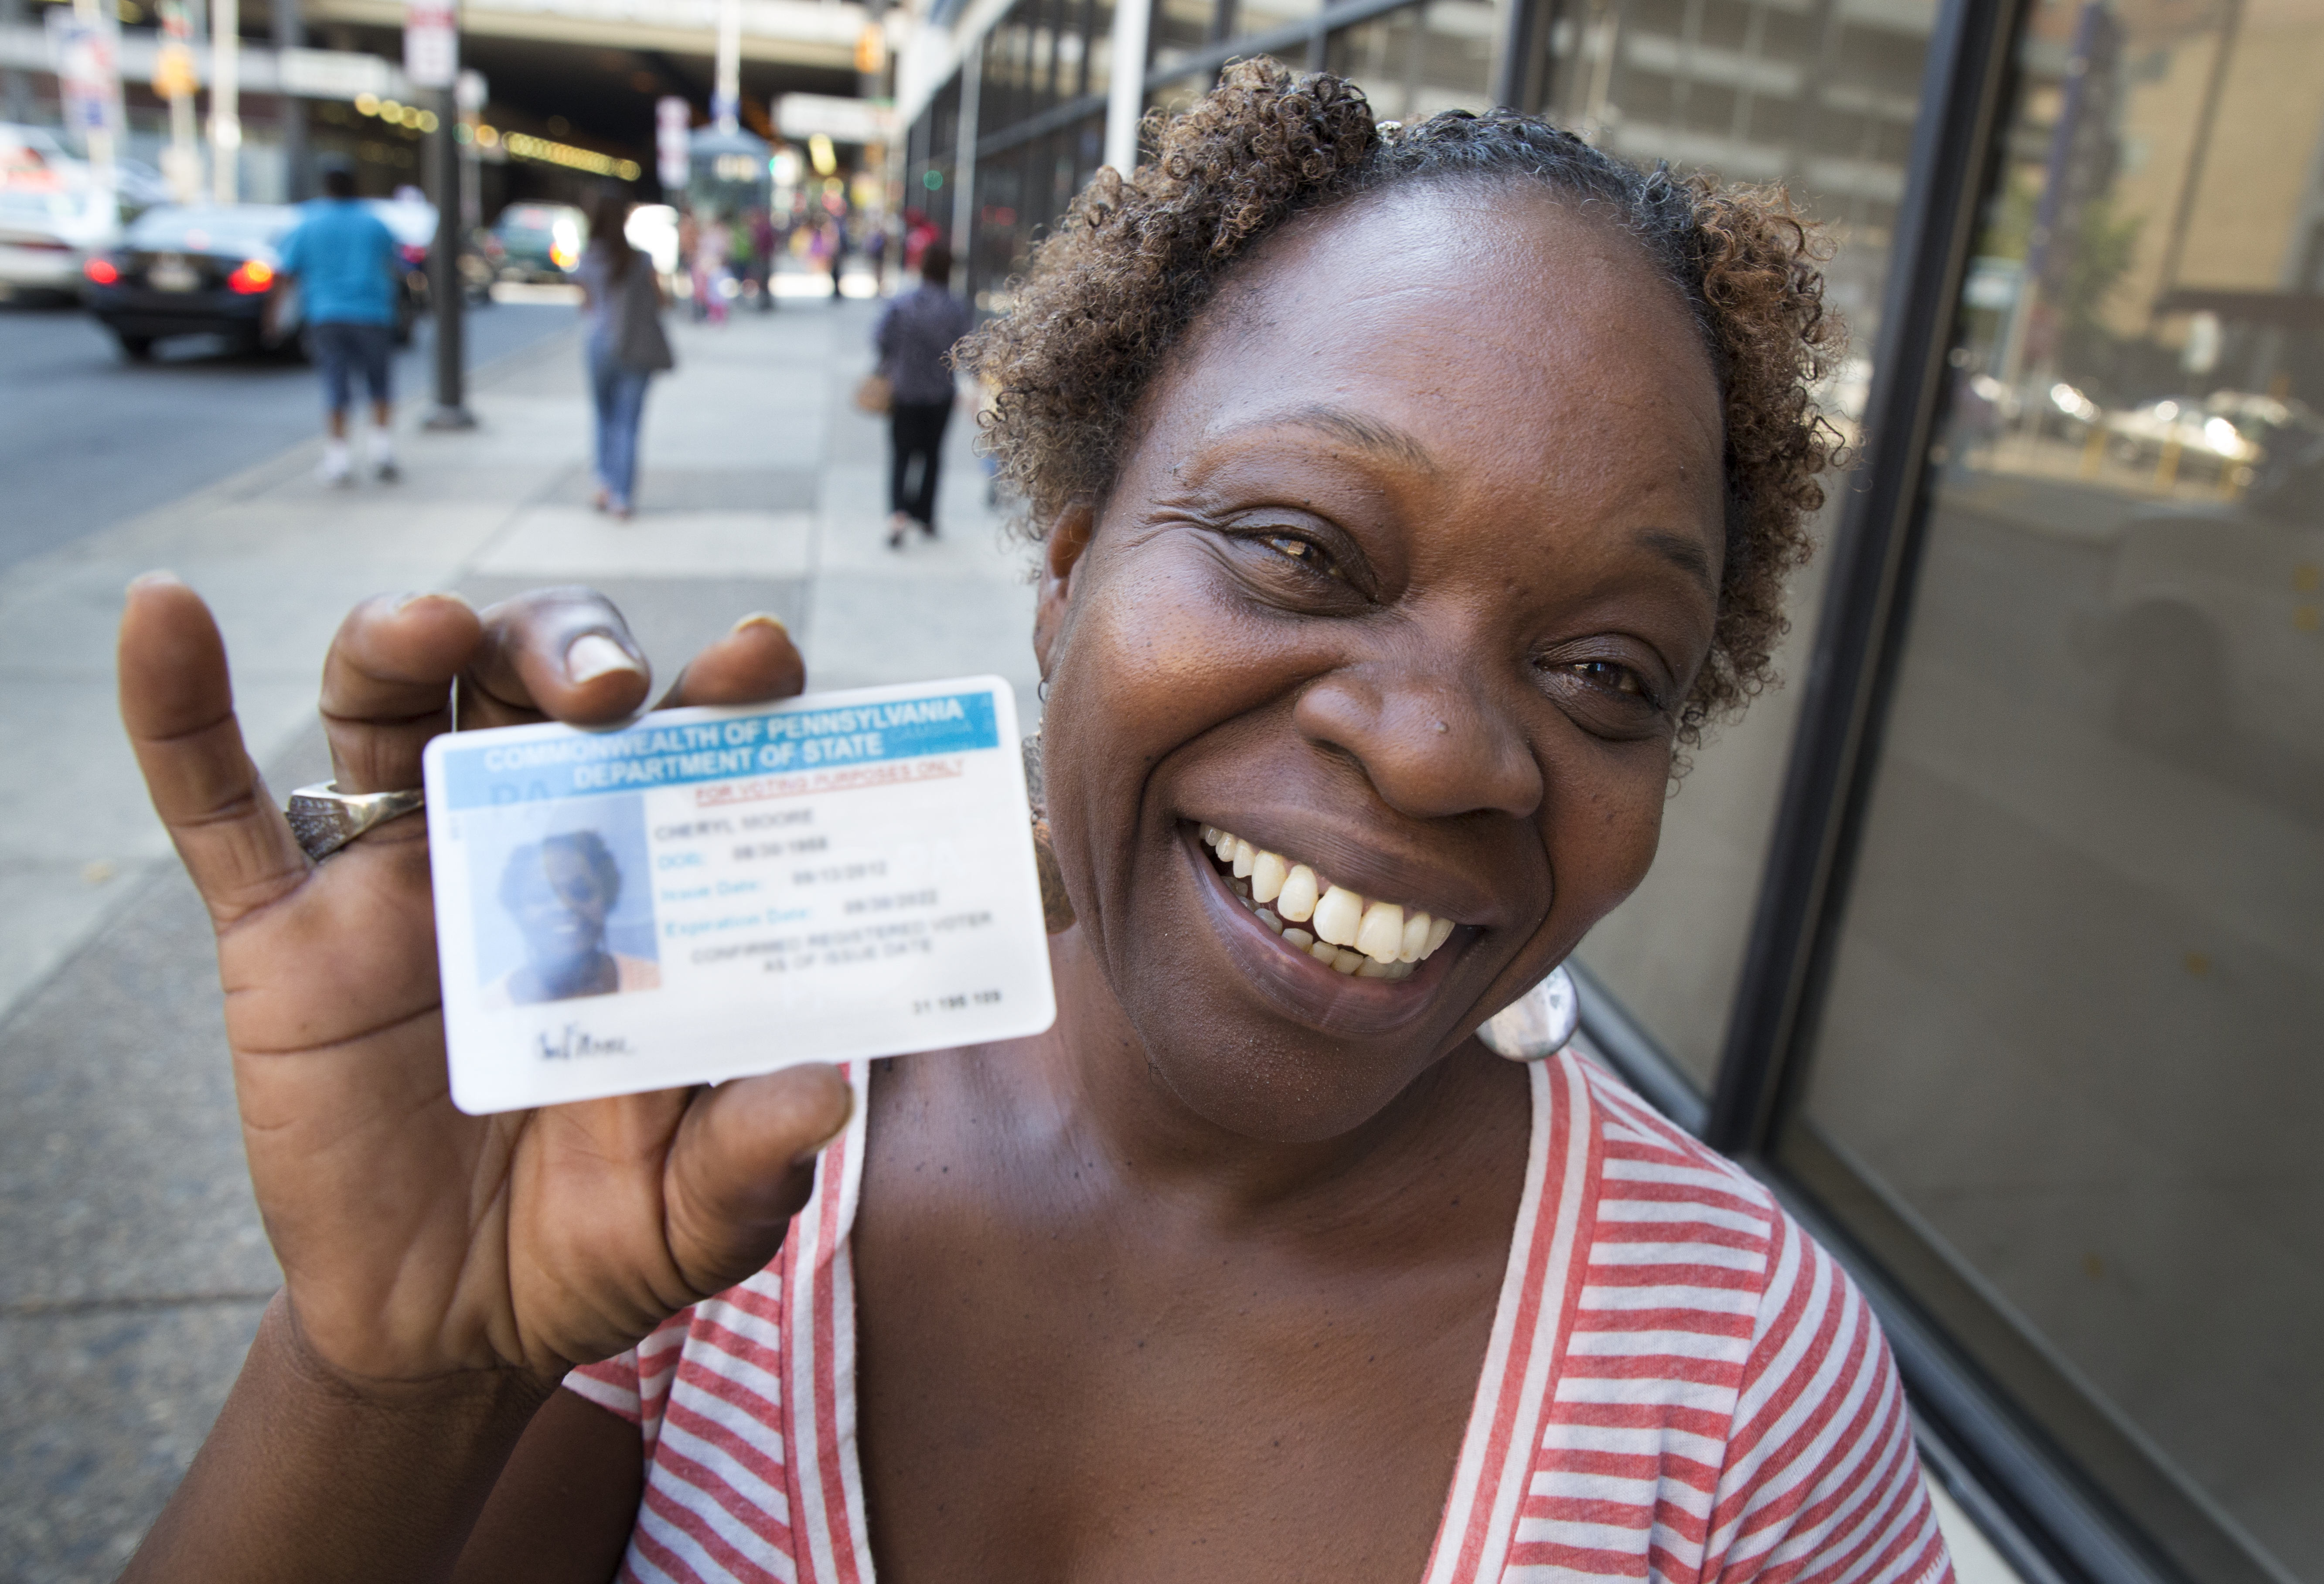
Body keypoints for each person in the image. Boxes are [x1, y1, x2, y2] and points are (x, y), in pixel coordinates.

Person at [112, 64, 1953, 1584]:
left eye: (1609, 669)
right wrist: (387, 1376)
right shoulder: (711, 1136)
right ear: (1066, 582)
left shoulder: (1736, 1384)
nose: (1437, 752)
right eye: (1302, 548)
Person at [277, 165, 401, 485]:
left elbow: (287, 269)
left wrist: (275, 314)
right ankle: (382, 451)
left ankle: (338, 459)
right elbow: (396, 262)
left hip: (326, 314)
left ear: (327, 187)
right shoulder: (374, 223)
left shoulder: (310, 222)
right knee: (380, 383)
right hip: (372, 312)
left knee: (336, 384)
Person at [575, 192, 675, 518]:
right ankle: (622, 496)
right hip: (634, 345)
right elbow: (662, 303)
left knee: (604, 416)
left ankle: (603, 483)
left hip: (599, 343)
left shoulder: (588, 259)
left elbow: (587, 304)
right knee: (628, 423)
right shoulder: (640, 260)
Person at [487, 830, 660, 1007]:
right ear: (517, 910)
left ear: (608, 898)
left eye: (581, 891)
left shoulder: (657, 982)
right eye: (542, 896)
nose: (564, 907)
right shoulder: (489, 1005)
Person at [873, 239, 971, 547]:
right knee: (932, 456)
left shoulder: (903, 303)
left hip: (904, 390)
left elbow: (880, 339)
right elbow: (968, 350)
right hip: (940, 393)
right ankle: (926, 517)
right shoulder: (956, 308)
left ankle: (898, 516)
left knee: (901, 454)